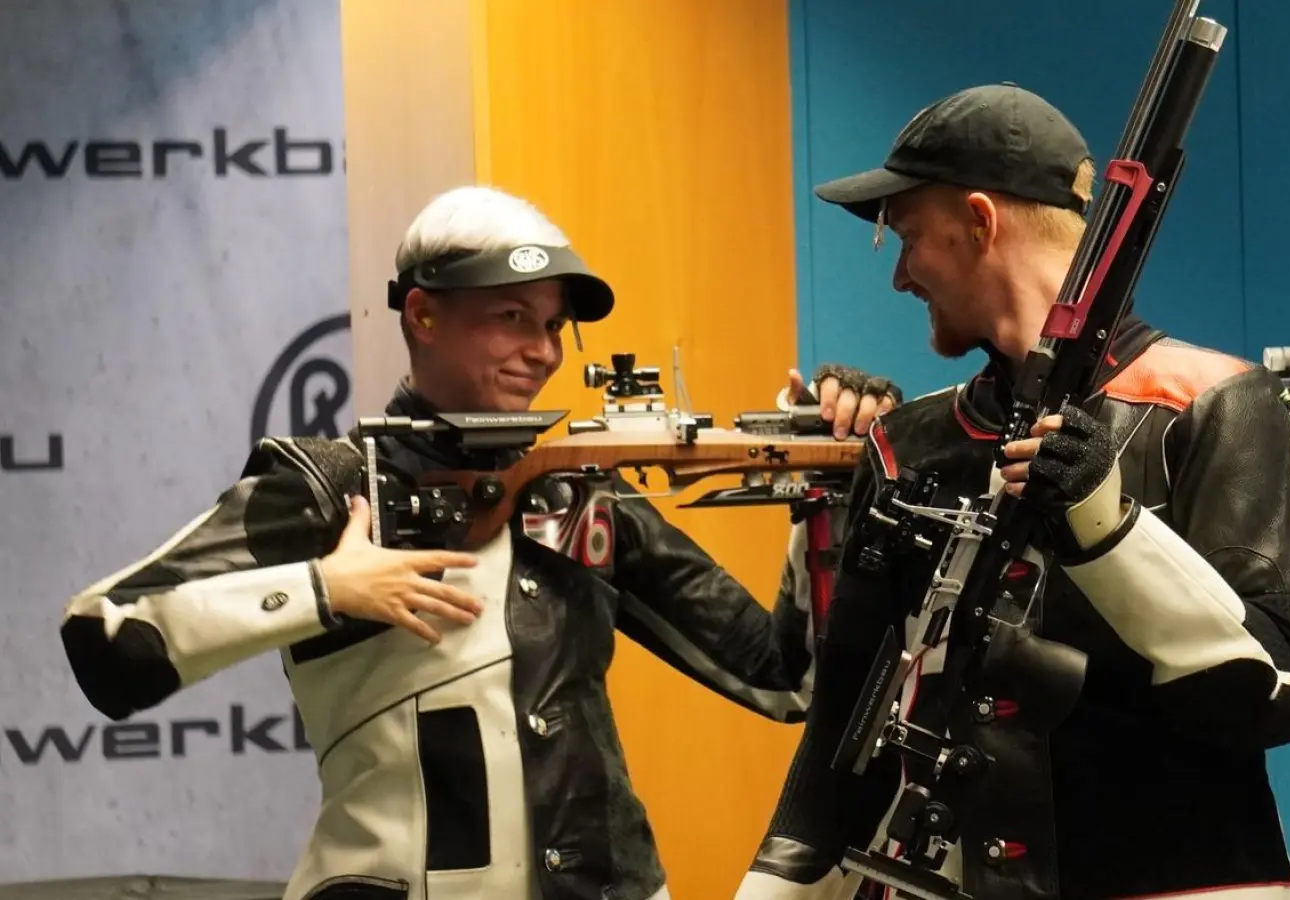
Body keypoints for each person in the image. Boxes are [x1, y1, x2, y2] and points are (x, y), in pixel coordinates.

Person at [57, 185, 900, 900]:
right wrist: (324, 588)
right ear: (421, 313)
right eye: (509, 317)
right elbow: (106, 638)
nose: (542, 352)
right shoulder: (328, 485)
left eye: (554, 327)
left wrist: (828, 499)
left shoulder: (577, 491)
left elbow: (789, 680)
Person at [733, 84, 1290, 900]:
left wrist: (1109, 531)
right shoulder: (908, 443)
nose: (901, 277)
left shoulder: (1219, 404)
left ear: (981, 221)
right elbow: (842, 743)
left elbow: (1285, 692)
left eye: (909, 237)